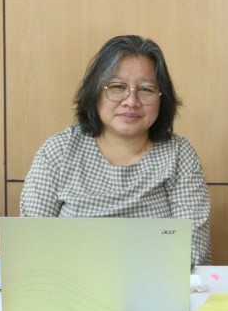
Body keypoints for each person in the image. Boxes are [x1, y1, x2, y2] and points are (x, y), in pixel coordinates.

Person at [21, 35, 212, 266]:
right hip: (71, 283)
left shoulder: (179, 155)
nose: (131, 101)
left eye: (146, 89)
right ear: (95, 92)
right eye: (118, 87)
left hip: (153, 283)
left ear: (162, 98)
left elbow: (193, 250)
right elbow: (31, 244)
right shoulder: (59, 151)